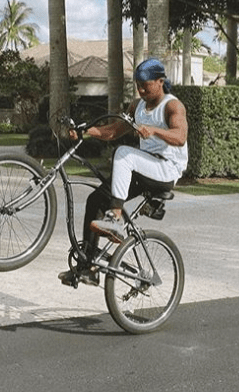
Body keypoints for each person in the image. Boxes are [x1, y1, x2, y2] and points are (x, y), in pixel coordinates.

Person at [59, 57, 189, 286]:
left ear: (160, 81)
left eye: (145, 86)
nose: (141, 90)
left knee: (123, 154)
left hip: (166, 170)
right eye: (138, 85)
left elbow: (180, 137)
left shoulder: (172, 105)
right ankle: (88, 268)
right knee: (96, 200)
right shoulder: (137, 106)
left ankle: (116, 220)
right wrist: (87, 130)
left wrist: (156, 131)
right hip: (144, 169)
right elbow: (114, 131)